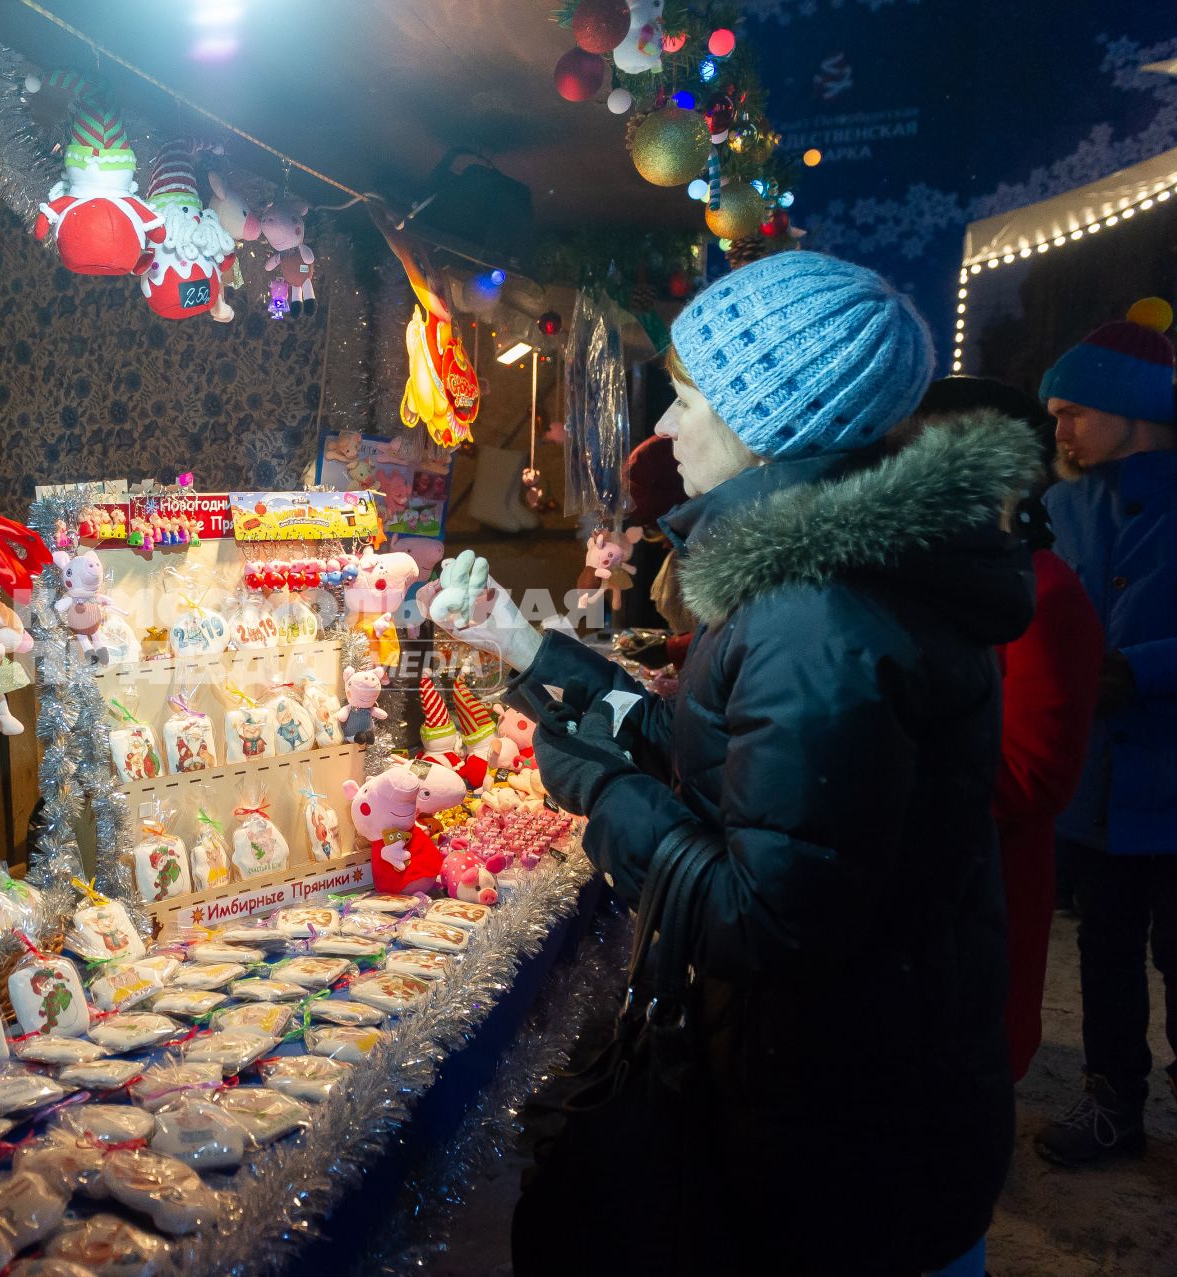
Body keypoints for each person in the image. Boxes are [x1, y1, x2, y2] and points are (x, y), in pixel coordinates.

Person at [430, 251, 1036, 1274]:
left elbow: (766, 919)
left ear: (771, 423)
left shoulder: (819, 613)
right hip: (856, 1104)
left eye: (686, 398)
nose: (664, 428)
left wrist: (604, 795)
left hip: (844, 1141)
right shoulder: (813, 576)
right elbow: (712, 754)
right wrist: (536, 656)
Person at [915, 375, 1102, 1084]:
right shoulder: (948, 575)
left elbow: (1033, 775)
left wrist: (881, 771)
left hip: (978, 894)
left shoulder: (1044, 594)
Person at [1030, 310, 1177, 1165]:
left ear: (1132, 407)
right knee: (1104, 945)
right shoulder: (1060, 504)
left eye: (1074, 410)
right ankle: (1112, 1098)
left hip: (1171, 772)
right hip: (1095, 786)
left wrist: (1142, 667)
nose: (1060, 428)